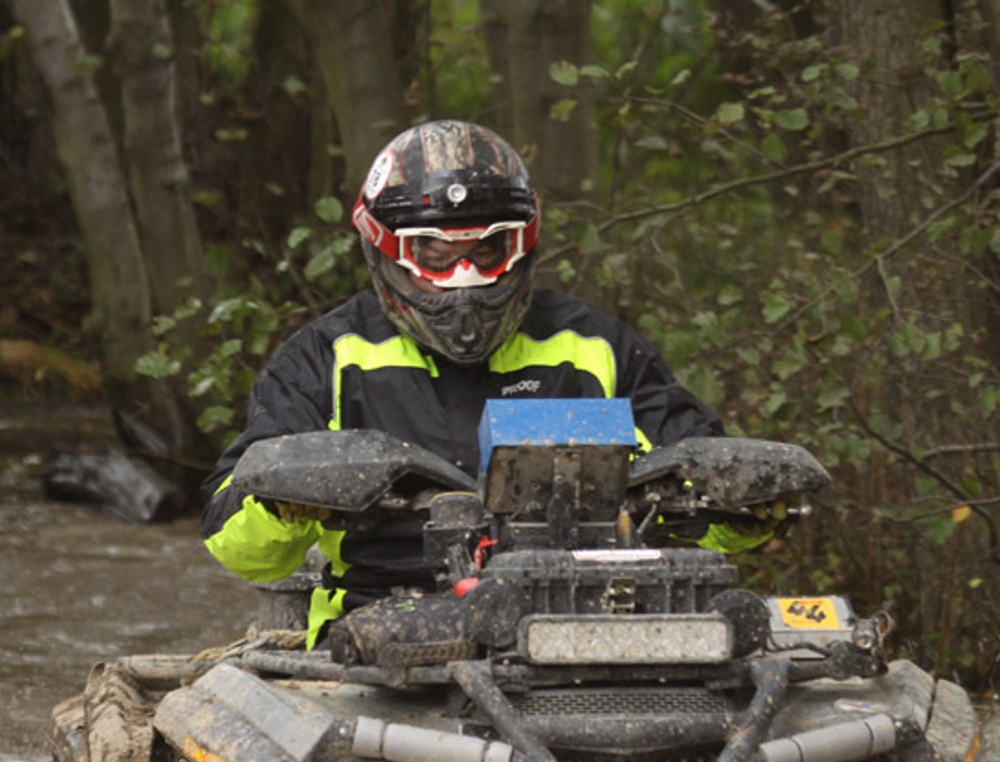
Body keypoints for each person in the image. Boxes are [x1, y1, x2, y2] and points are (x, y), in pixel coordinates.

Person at [200, 119, 750, 646]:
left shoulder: (594, 347)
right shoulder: (328, 357)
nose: (464, 280)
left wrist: (744, 505)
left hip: (585, 622)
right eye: (436, 256)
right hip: (377, 625)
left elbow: (710, 491)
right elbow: (237, 547)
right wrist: (285, 503)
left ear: (522, 245)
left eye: (485, 252)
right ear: (386, 252)